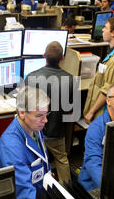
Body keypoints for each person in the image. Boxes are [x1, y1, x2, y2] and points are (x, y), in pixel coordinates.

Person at [25, 41, 77, 184]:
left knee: (33, 161)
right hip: (56, 132)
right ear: (62, 58)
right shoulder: (71, 80)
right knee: (62, 159)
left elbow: (25, 107)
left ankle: (37, 193)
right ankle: (66, 192)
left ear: (44, 56)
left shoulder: (30, 77)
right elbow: (71, 111)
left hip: (35, 133)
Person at [0, 86, 51, 199]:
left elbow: (42, 157)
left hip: (41, 190)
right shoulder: (10, 145)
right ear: (22, 113)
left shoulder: (34, 127)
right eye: (39, 116)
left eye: (46, 114)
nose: (45, 120)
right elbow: (24, 193)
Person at [78, 83, 114, 191]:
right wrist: (109, 188)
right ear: (108, 101)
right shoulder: (96, 128)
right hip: (96, 184)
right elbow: (93, 162)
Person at [83, 17, 114, 124]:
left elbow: (107, 91)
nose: (103, 30)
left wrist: (91, 112)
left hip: (107, 111)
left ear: (113, 33)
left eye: (106, 27)